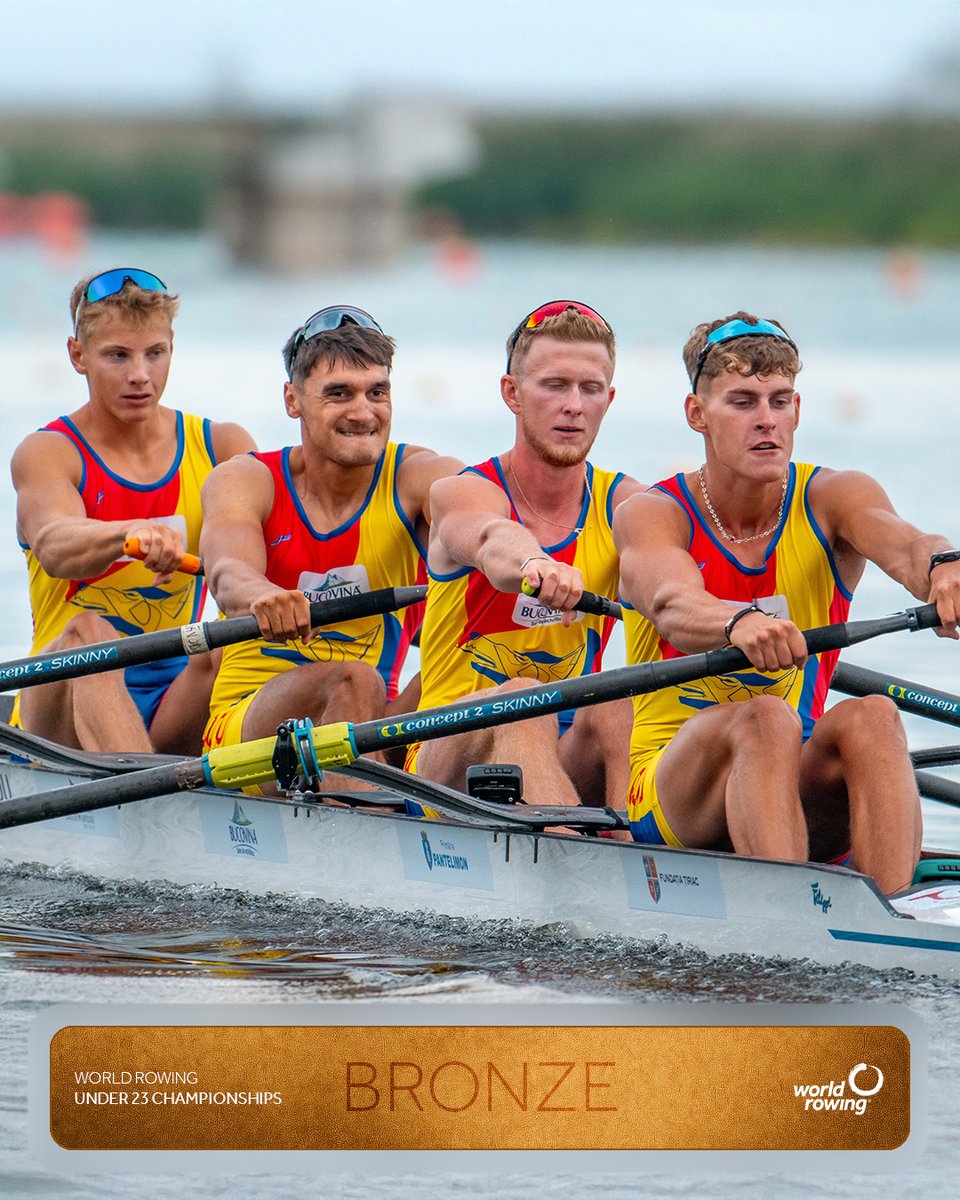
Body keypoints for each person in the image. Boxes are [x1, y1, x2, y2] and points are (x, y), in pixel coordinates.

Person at [614, 311, 960, 895]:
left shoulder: (834, 497)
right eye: (743, 402)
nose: (767, 421)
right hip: (673, 788)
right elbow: (672, 601)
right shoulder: (652, 513)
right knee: (766, 717)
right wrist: (736, 621)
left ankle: (893, 916)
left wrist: (943, 566)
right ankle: (791, 912)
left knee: (875, 714)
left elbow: (906, 544)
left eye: (780, 401)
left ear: (797, 410)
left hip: (788, 780)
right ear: (697, 415)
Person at [199, 305, 461, 782]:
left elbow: (480, 521)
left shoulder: (423, 475)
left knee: (473, 676)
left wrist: (526, 561)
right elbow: (227, 572)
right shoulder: (246, 480)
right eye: (339, 394)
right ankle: (368, 809)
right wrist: (263, 596)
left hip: (373, 721)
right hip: (246, 725)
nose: (363, 412)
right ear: (293, 400)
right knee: (353, 677)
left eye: (376, 392)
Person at [405, 300, 642, 811]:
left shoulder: (631, 507)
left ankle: (634, 852)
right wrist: (536, 564)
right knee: (521, 698)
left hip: (563, 749)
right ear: (512, 393)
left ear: (609, 398)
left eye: (590, 389)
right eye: (555, 386)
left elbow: (674, 585)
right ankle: (585, 860)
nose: (574, 405)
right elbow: (492, 539)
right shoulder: (461, 492)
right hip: (447, 752)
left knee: (617, 705)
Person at [10, 268, 256, 755]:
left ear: (171, 349)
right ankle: (155, 811)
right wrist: (127, 534)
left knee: (229, 641)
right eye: (117, 355)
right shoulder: (48, 452)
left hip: (174, 699)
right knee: (88, 632)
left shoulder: (223, 447)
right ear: (77, 356)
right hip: (60, 707)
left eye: (154, 354)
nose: (140, 374)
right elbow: (54, 544)